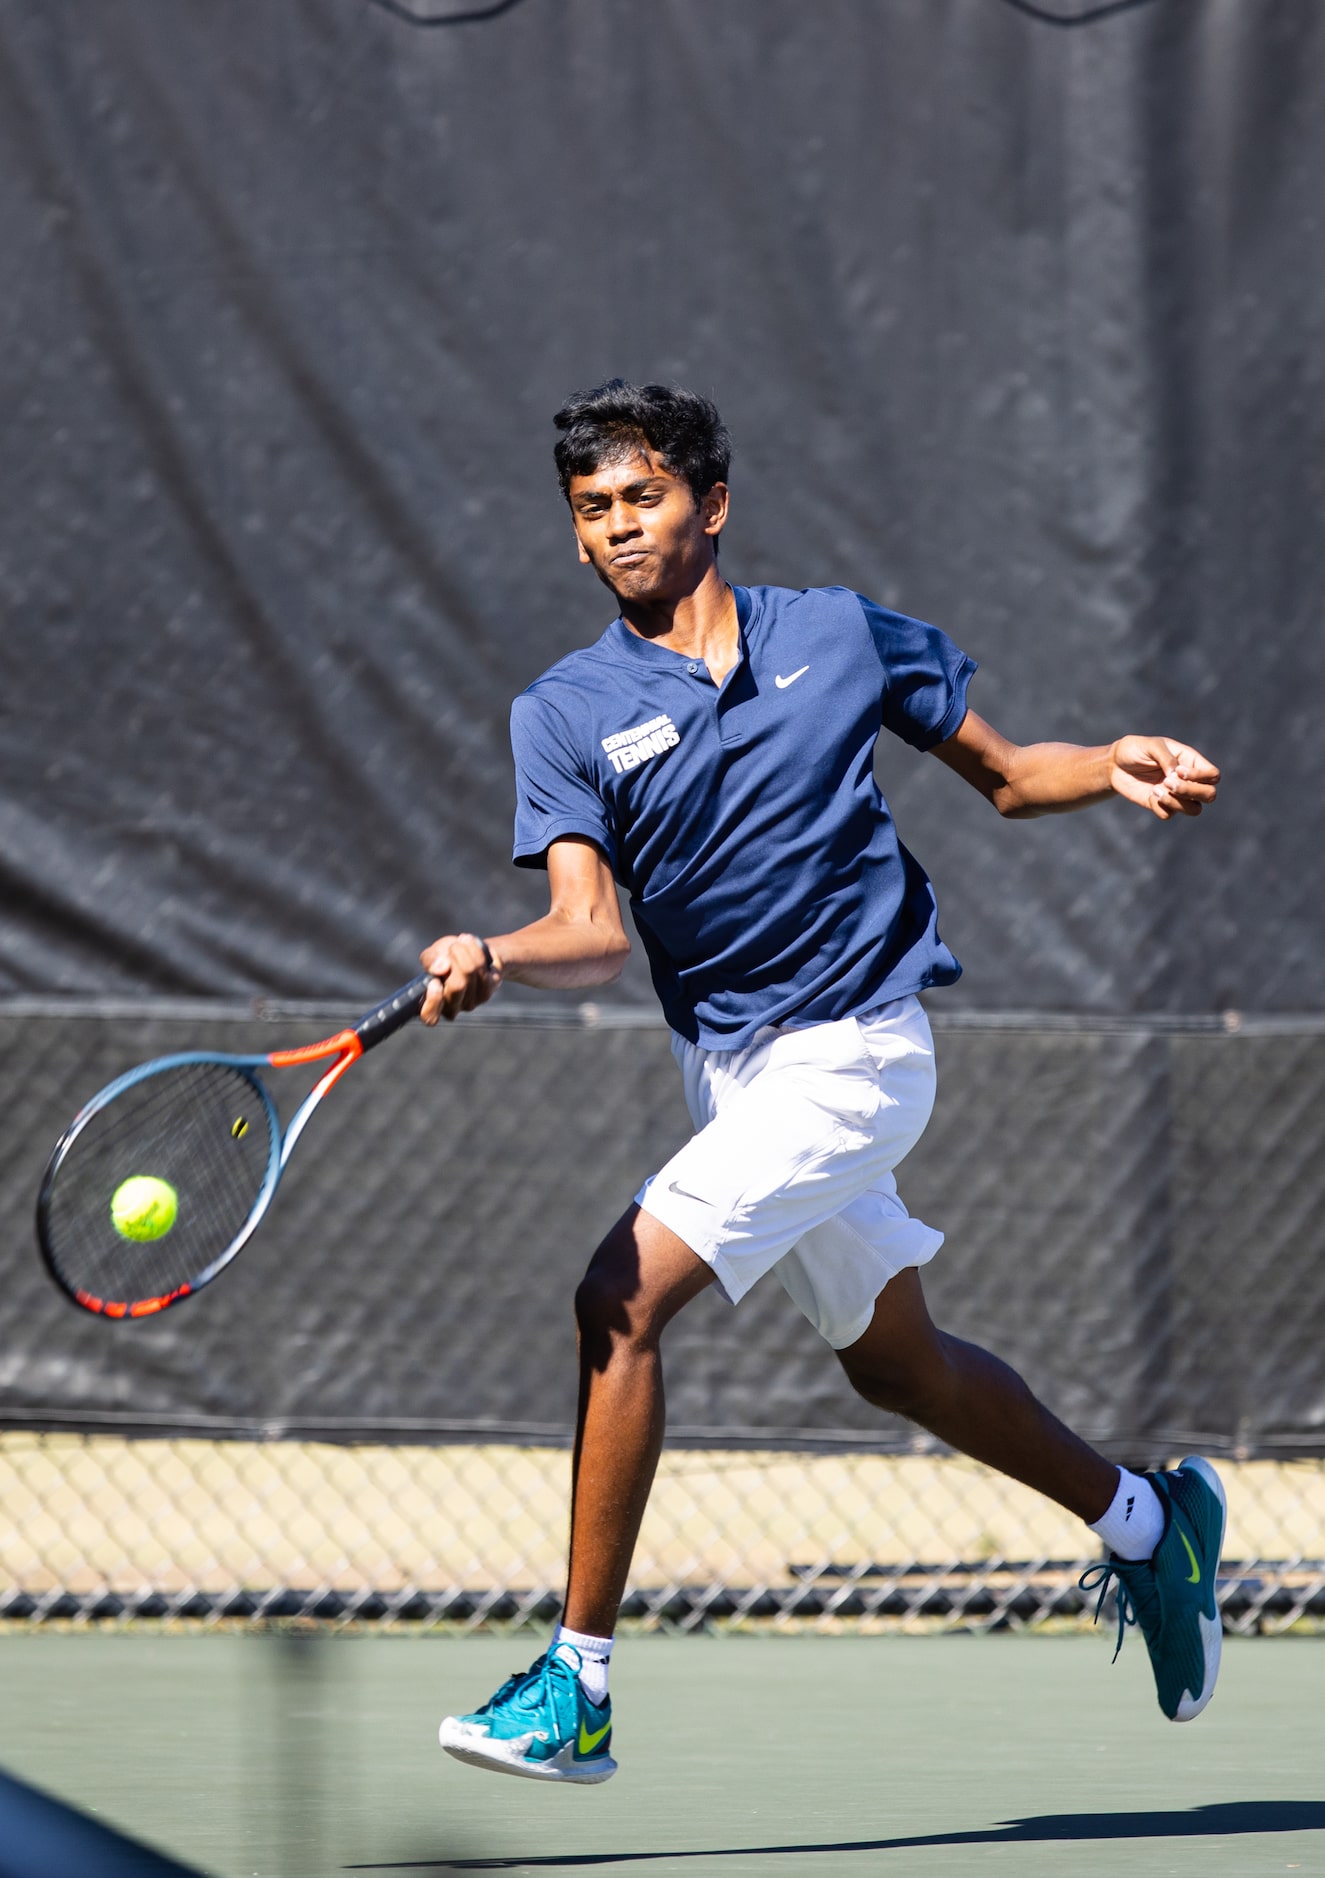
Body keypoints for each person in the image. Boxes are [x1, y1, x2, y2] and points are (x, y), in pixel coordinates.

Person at [422, 381, 1224, 1786]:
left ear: (711, 504)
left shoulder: (838, 634)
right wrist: (494, 951)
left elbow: (1007, 771)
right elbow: (589, 931)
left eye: (643, 498)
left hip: (859, 1050)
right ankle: (1149, 1523)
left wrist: (1108, 762)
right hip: (725, 1071)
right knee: (893, 1363)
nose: (618, 528)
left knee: (613, 1294)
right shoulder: (563, 712)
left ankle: (579, 1683)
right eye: (592, 510)